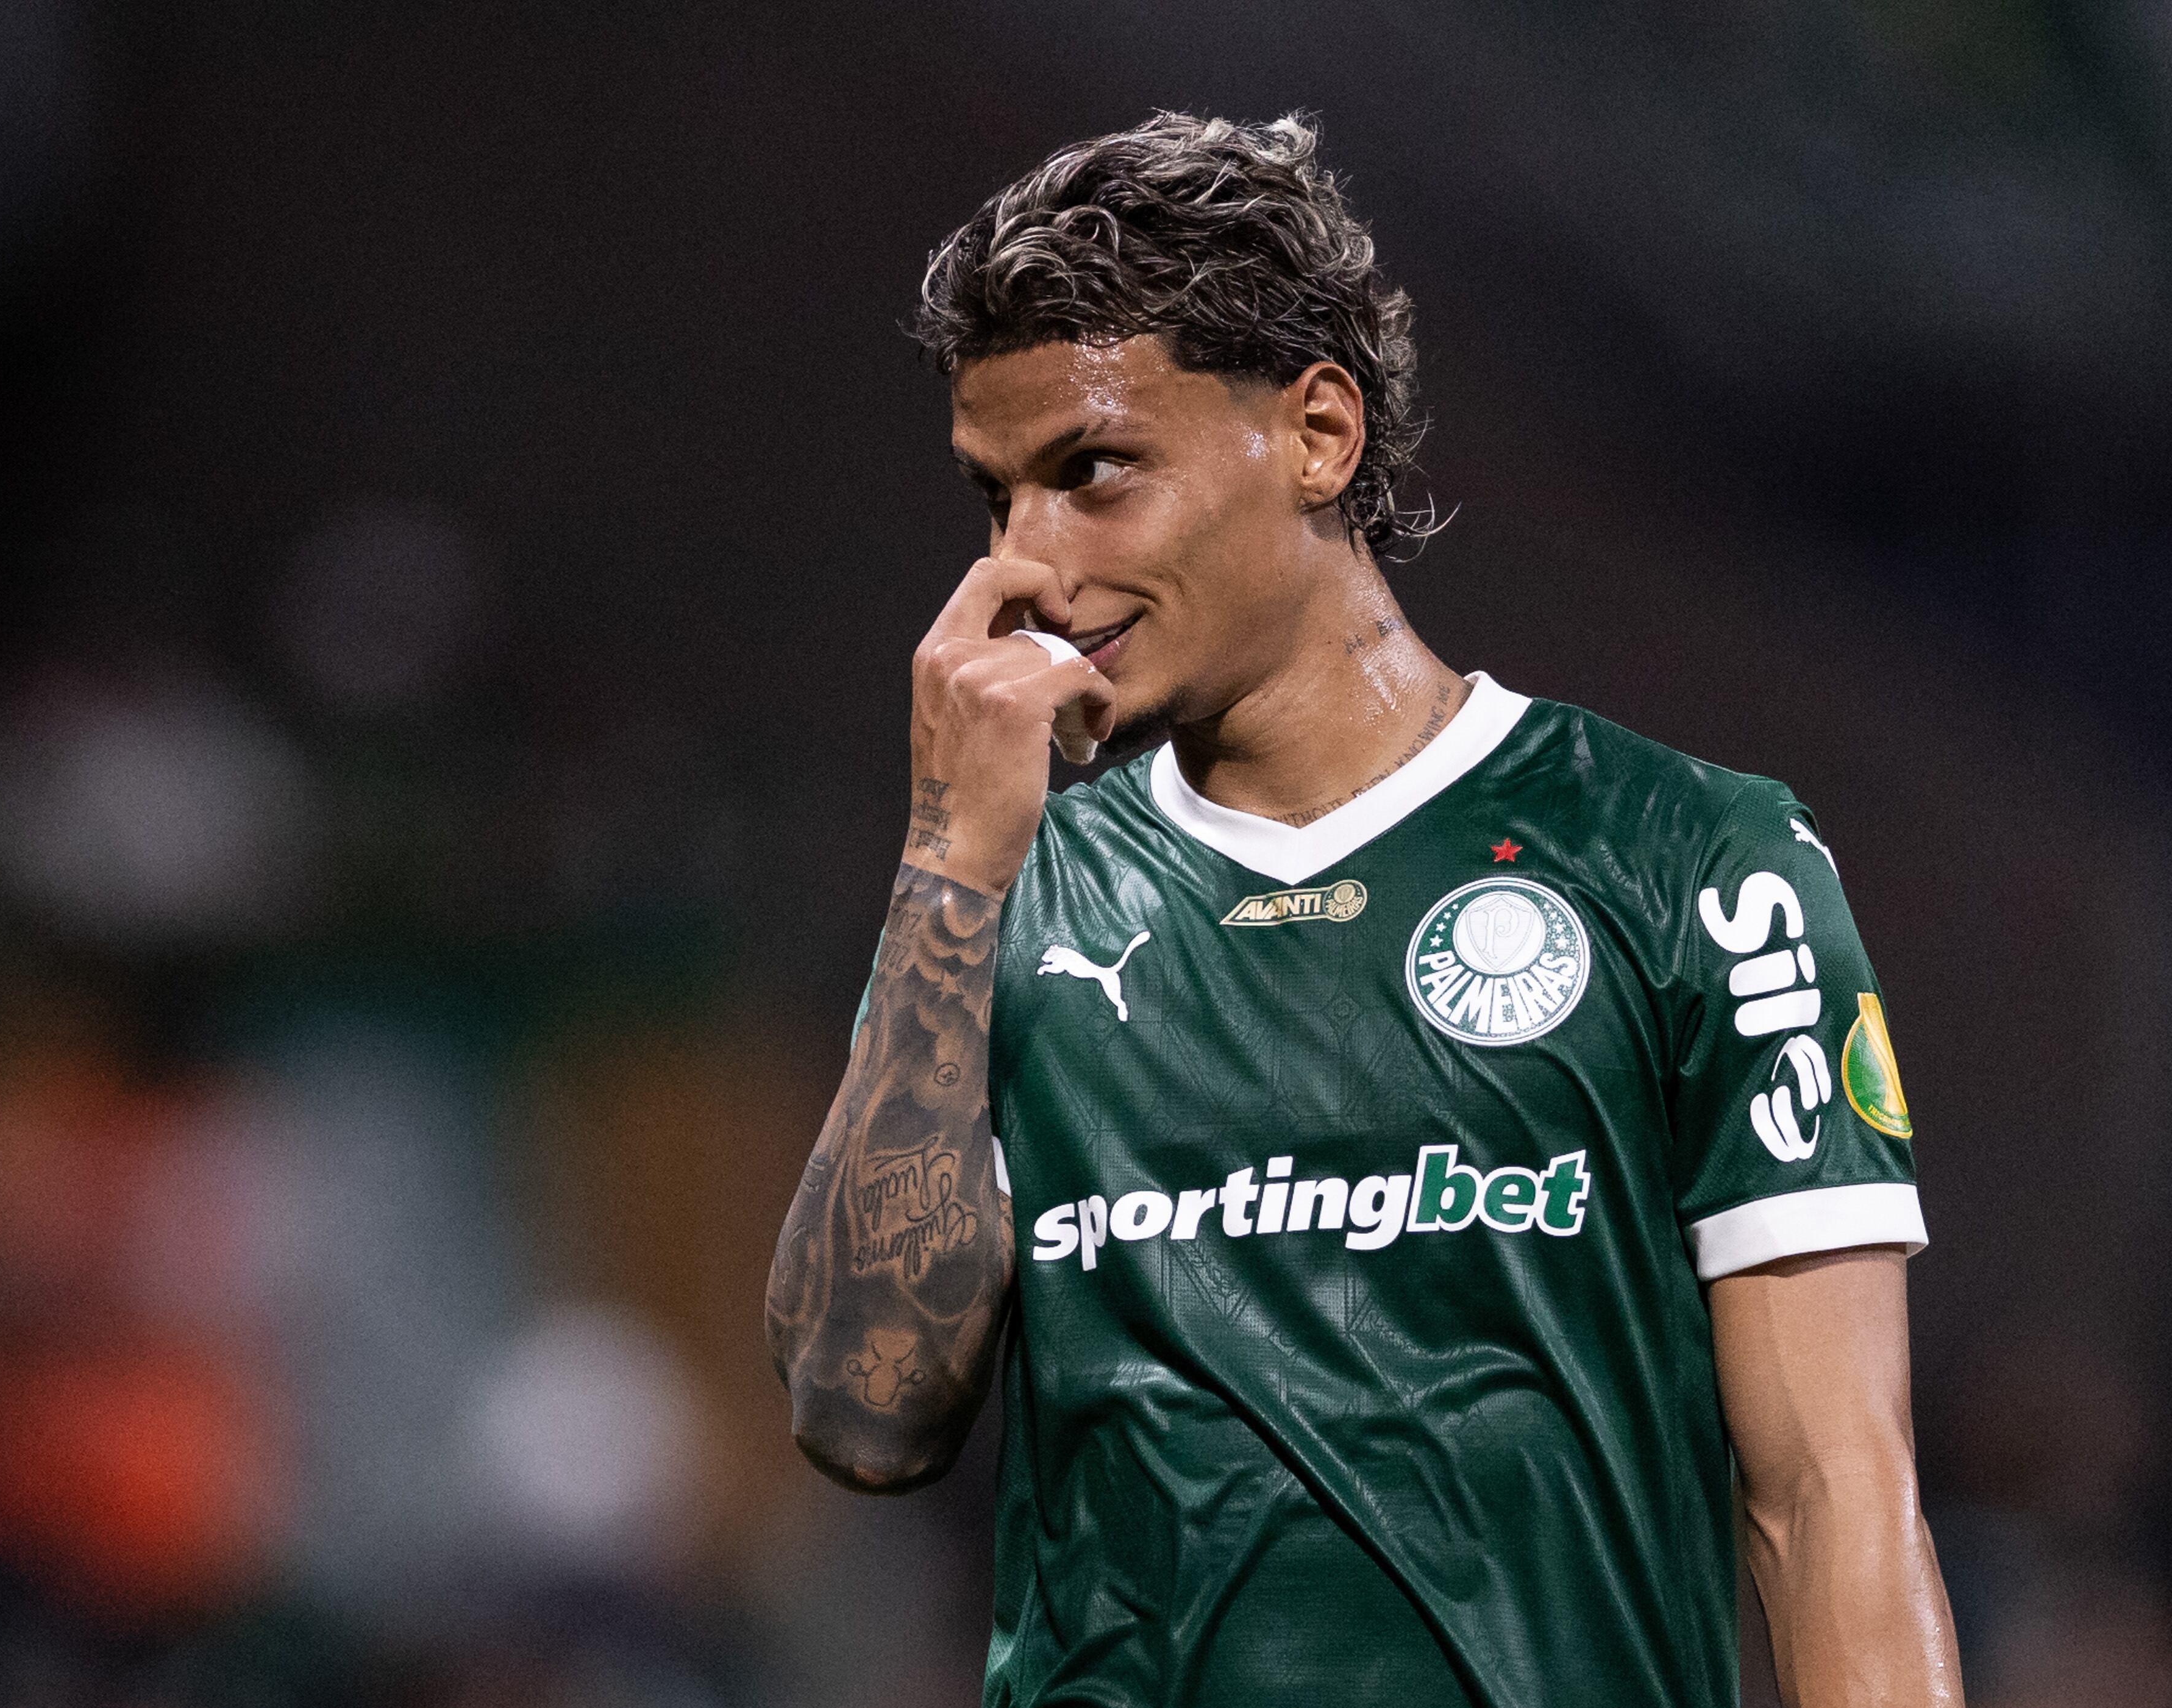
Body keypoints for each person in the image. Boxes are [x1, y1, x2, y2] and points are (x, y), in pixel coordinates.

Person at [763, 111, 1962, 1706]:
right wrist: (947, 866)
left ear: (1319, 433)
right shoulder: (1005, 895)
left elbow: (1830, 1503)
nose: (1027, 564)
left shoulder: (1693, 860)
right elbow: (862, 1408)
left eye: (1093, 473)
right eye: (997, 498)